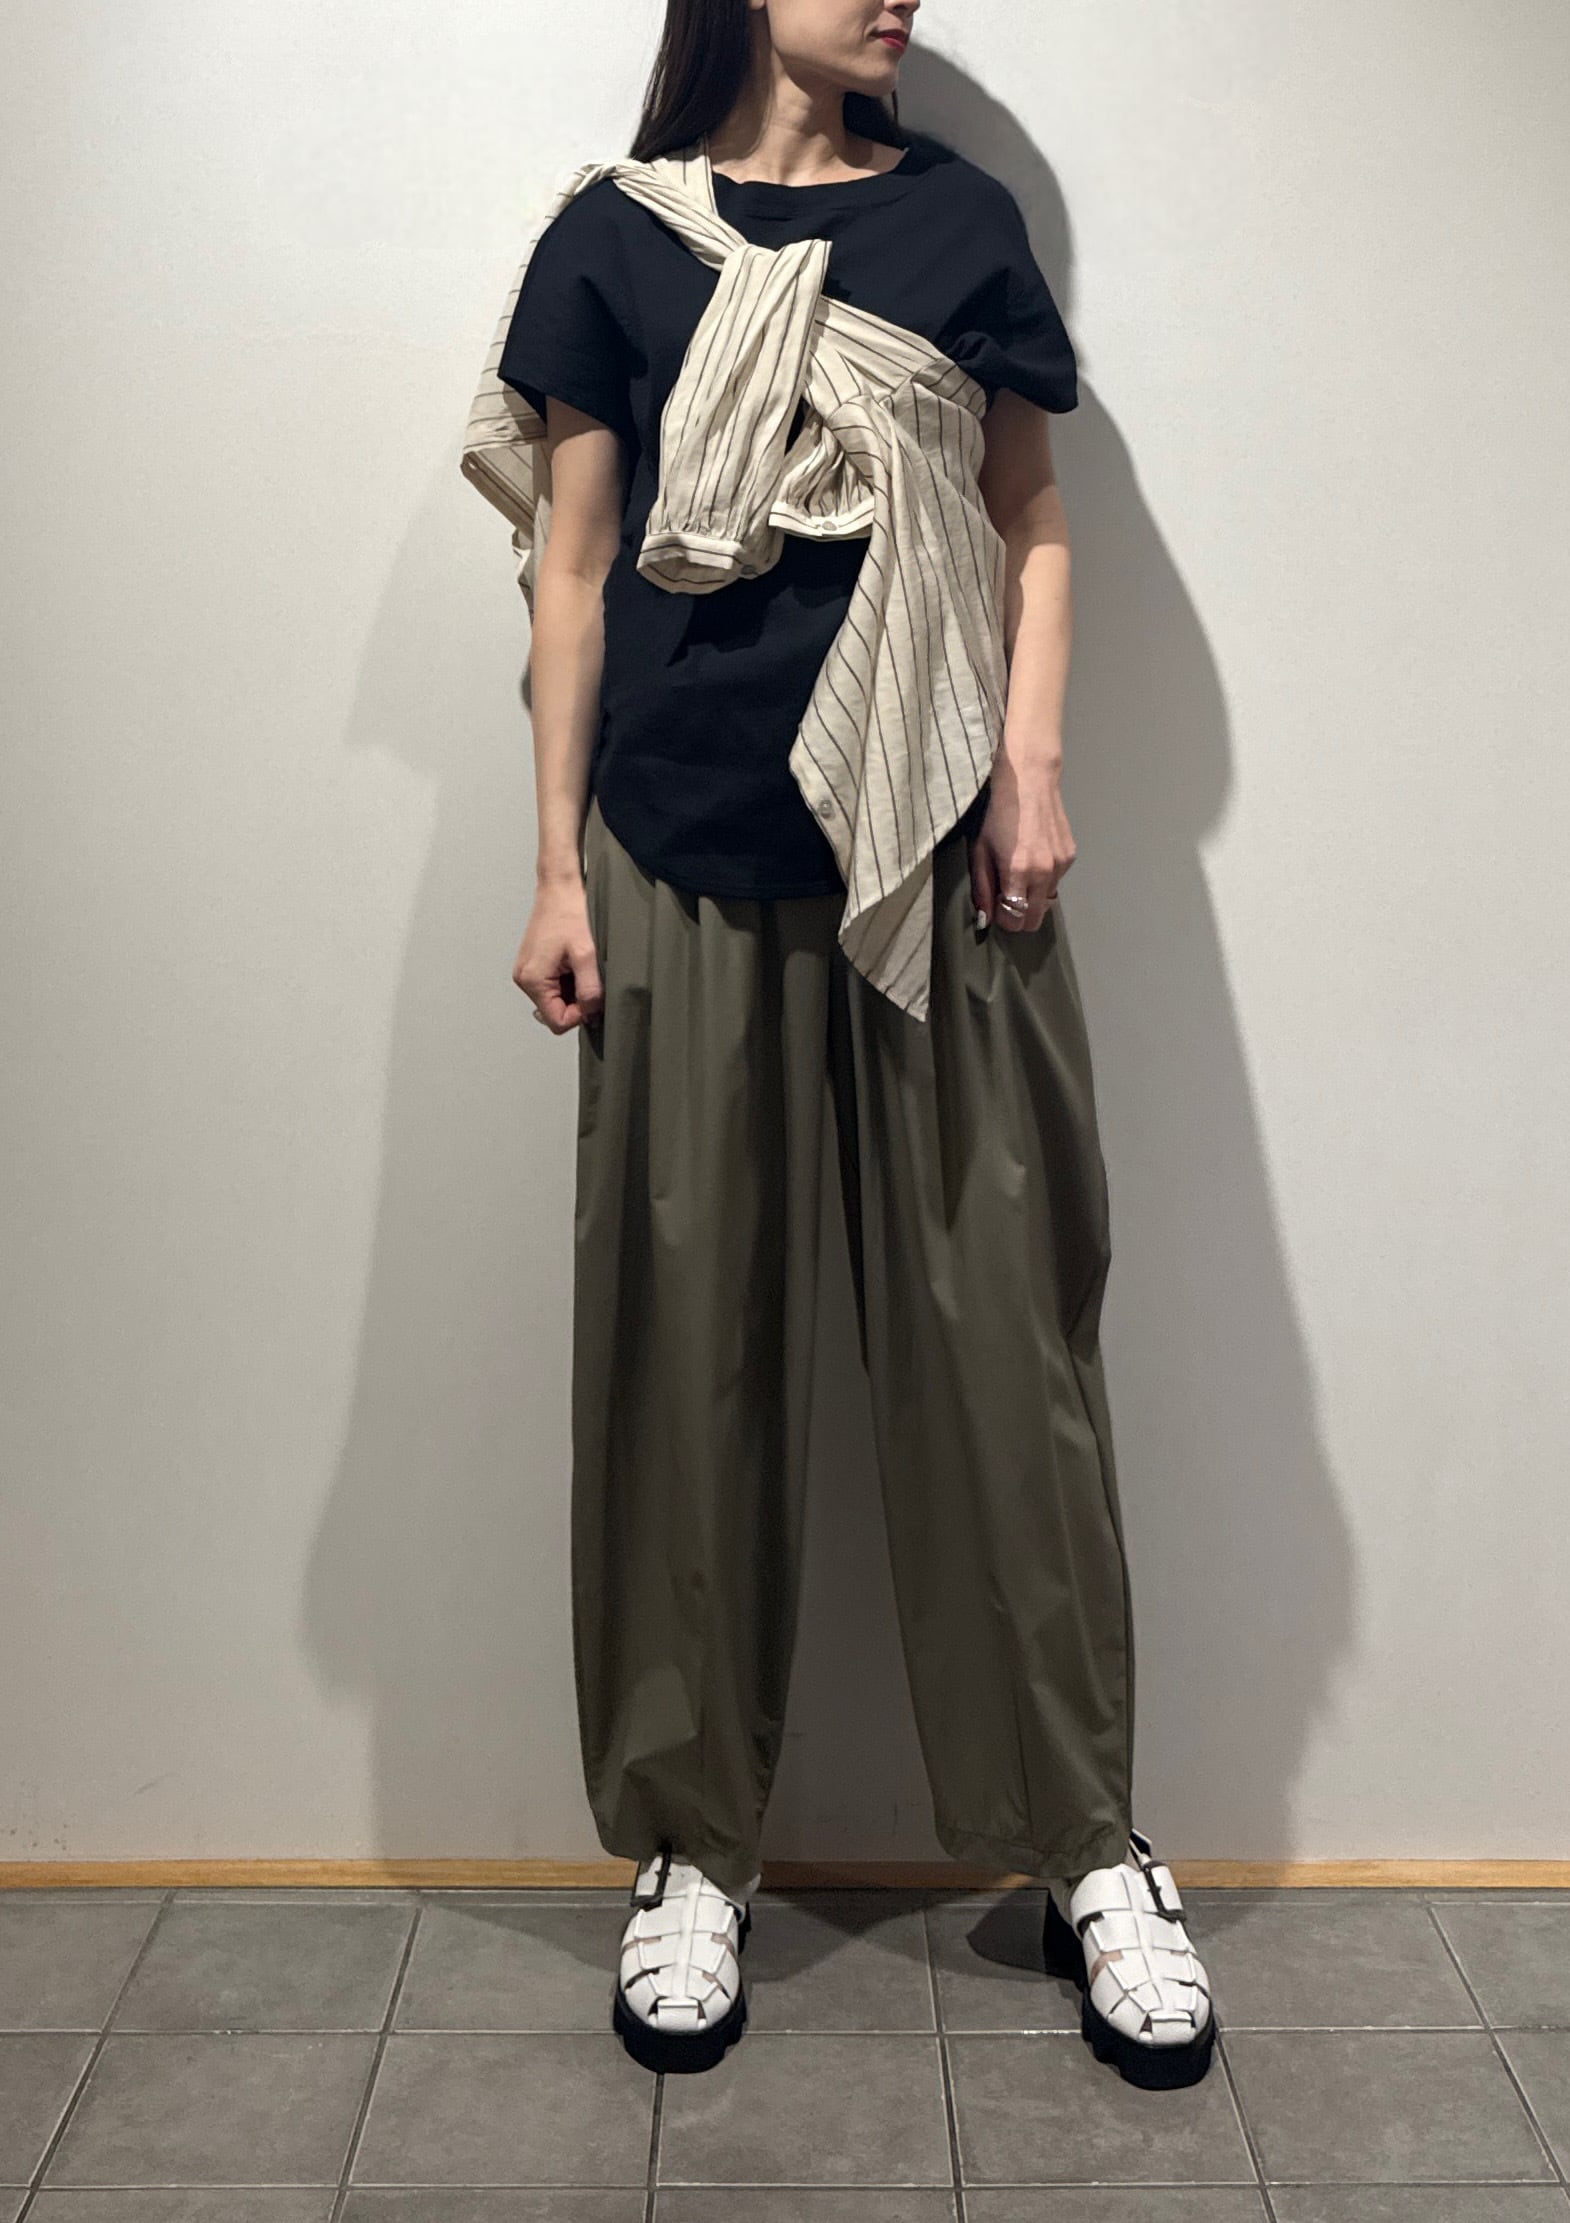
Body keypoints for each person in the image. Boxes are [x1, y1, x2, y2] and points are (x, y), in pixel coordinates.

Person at [462, 0, 1217, 2091]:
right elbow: (572, 569)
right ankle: (691, 1844)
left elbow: (1028, 509)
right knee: (684, 1349)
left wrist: (1031, 765)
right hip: (679, 853)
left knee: (1005, 1353)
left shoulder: (959, 226)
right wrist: (555, 866)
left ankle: (1084, 1844)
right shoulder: (614, 241)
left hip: (935, 847)